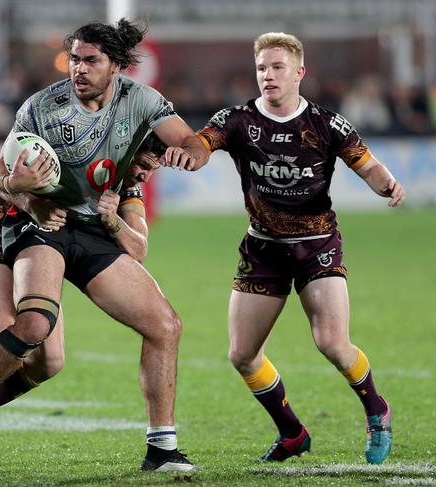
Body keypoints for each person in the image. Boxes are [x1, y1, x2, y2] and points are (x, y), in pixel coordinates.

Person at [0, 18, 205, 474]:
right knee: (26, 326)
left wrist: (193, 152)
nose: (79, 68)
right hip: (29, 222)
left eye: (90, 60)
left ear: (115, 65)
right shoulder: (43, 107)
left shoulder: (139, 111)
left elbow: (191, 141)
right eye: (75, 58)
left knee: (159, 327)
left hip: (85, 230)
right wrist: (24, 192)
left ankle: (162, 450)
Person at [170, 32, 404, 464]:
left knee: (332, 343)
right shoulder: (238, 119)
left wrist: (385, 184)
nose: (268, 75)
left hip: (317, 247)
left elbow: (366, 163)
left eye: (277, 67)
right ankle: (292, 432)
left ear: (299, 72)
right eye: (262, 68)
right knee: (242, 355)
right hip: (263, 250)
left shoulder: (325, 123)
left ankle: (376, 409)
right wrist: (190, 155)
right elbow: (202, 143)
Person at [0, 133, 165, 470]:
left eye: (153, 169)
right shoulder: (79, 153)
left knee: (49, 362)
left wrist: (113, 220)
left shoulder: (127, 190)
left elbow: (138, 249)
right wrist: (24, 191)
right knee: (3, 325)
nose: (144, 175)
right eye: (143, 165)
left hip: (35, 246)